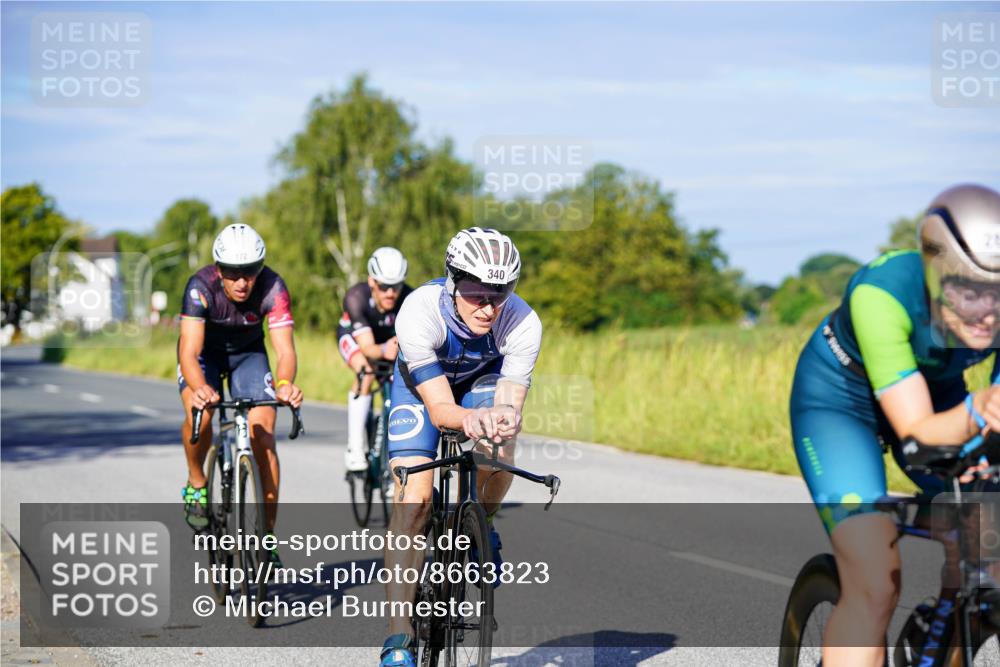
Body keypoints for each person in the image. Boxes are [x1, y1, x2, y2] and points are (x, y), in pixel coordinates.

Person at [789, 184, 1000, 666]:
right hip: (840, 404)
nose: (987, 313)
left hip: (938, 395)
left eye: (997, 292)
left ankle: (945, 625)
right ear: (935, 275)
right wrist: (979, 410)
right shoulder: (880, 294)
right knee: (874, 580)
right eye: (968, 292)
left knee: (989, 533)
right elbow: (918, 431)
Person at [378, 228, 542, 667]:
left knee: (500, 448)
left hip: (479, 382)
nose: (489, 307)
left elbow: (509, 402)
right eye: (477, 295)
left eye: (500, 293)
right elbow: (438, 409)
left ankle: (481, 523)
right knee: (414, 498)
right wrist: (466, 419)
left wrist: (503, 419)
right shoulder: (419, 311)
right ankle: (398, 635)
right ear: (453, 281)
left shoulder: (523, 321)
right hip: (421, 390)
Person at [177, 223, 304, 566]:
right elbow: (189, 351)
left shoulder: (273, 287)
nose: (242, 281)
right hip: (205, 356)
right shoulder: (200, 287)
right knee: (199, 414)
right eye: (233, 272)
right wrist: (200, 387)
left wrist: (284, 383)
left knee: (264, 435)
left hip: (248, 355)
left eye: (250, 270)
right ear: (218, 269)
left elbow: (285, 350)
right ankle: (196, 481)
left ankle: (266, 537)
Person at [337, 247, 413, 471]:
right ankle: (354, 447)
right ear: (372, 281)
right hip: (356, 339)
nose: (390, 293)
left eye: (396, 286)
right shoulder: (356, 297)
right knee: (366, 370)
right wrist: (384, 349)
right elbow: (368, 348)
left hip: (390, 344)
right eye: (384, 286)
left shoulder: (410, 298)